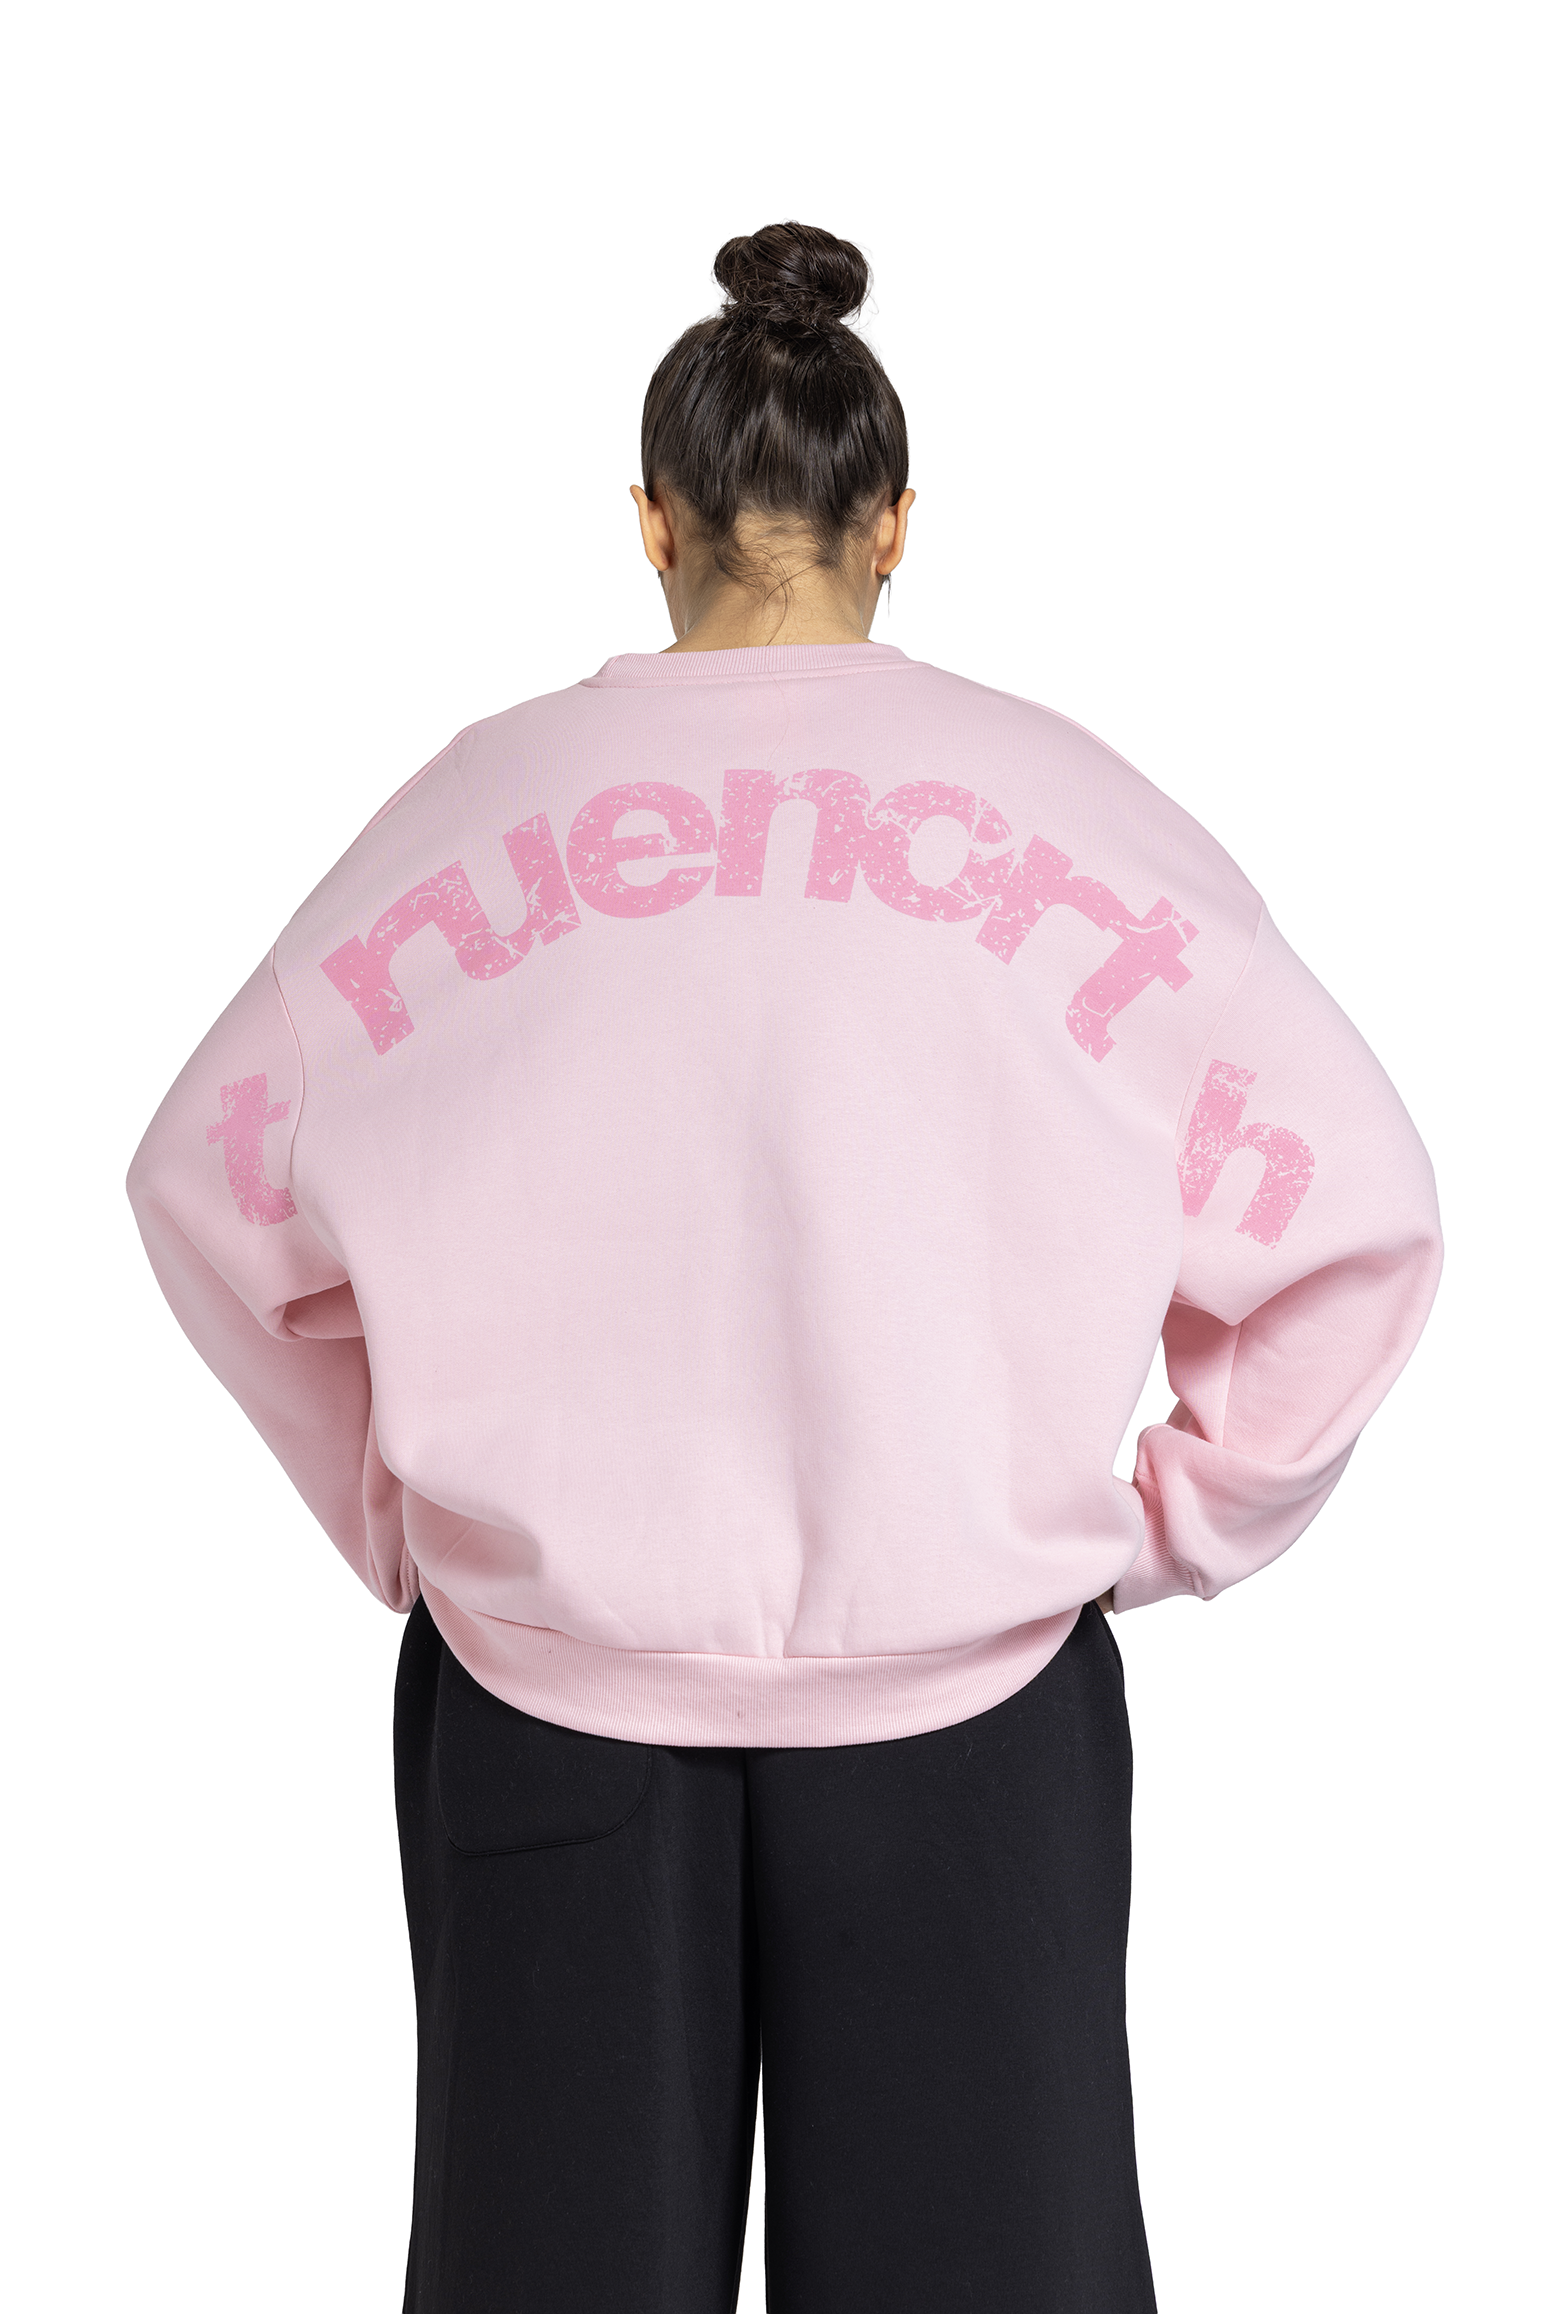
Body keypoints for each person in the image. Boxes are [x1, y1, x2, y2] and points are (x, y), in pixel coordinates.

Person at [127, 221, 1442, 2313]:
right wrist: (1168, 1523)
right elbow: (1356, 1210)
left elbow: (207, 1171)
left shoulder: (474, 808)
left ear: (650, 520)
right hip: (972, 1702)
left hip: (548, 1695)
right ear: (895, 521)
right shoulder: (1079, 817)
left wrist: (392, 1502)